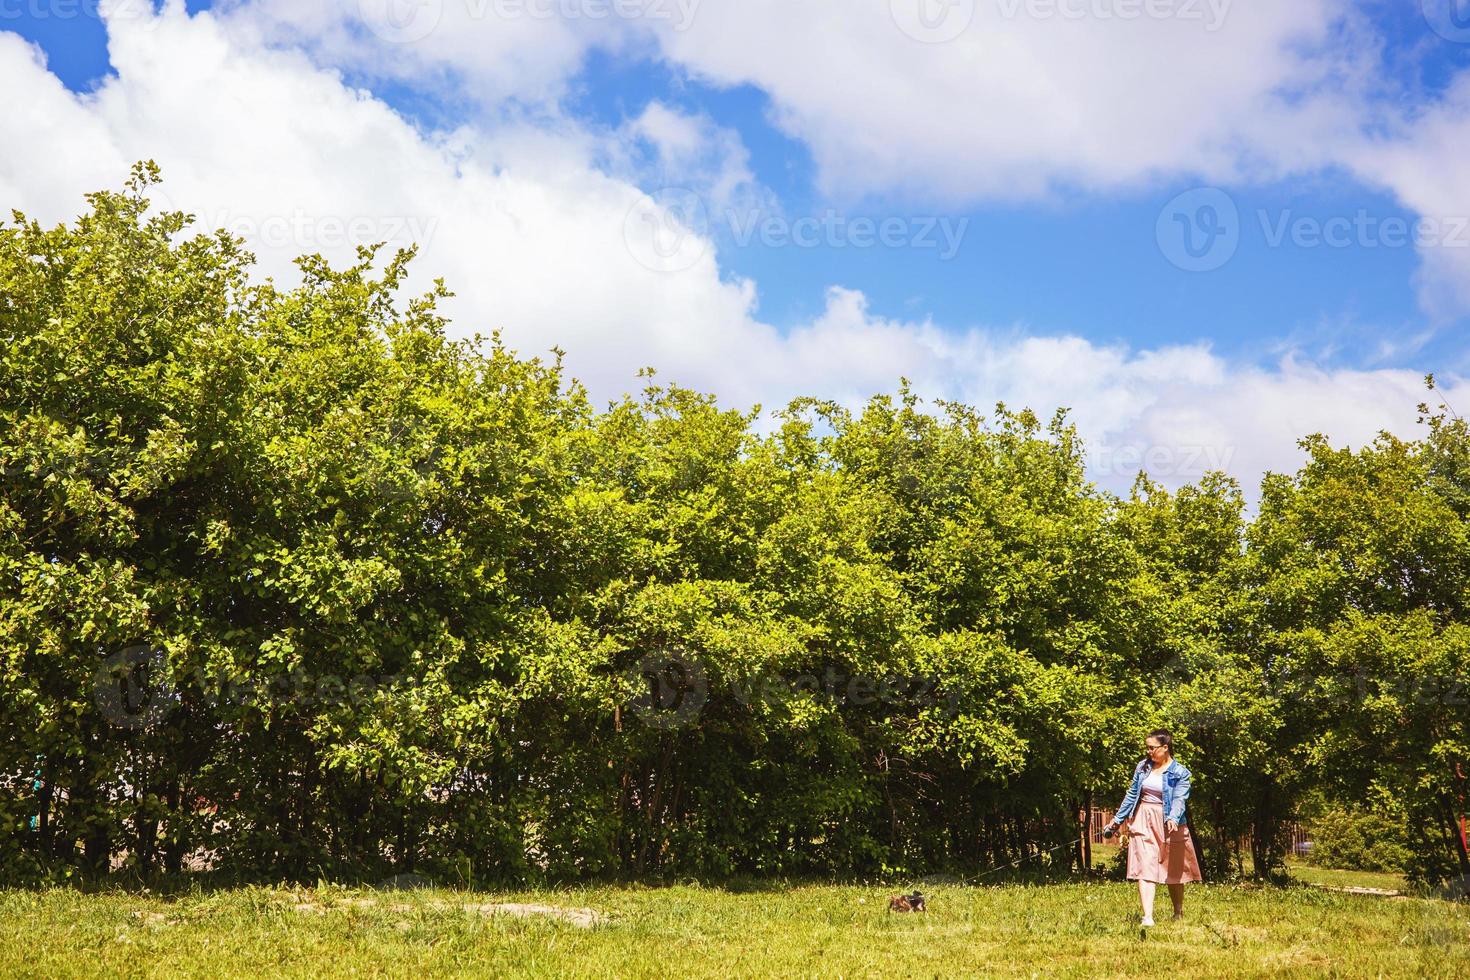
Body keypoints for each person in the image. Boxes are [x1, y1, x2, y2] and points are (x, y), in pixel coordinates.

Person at [1102, 729, 1202, 929]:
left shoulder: (1180, 772)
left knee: (1173, 869)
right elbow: (1132, 794)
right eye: (1147, 748)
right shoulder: (1143, 767)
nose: (1148, 752)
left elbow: (1179, 798)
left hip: (1169, 822)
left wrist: (1173, 817)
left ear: (1165, 748)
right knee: (1144, 866)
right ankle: (1148, 917)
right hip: (1143, 819)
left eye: (1152, 748)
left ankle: (1178, 912)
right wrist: (1116, 821)